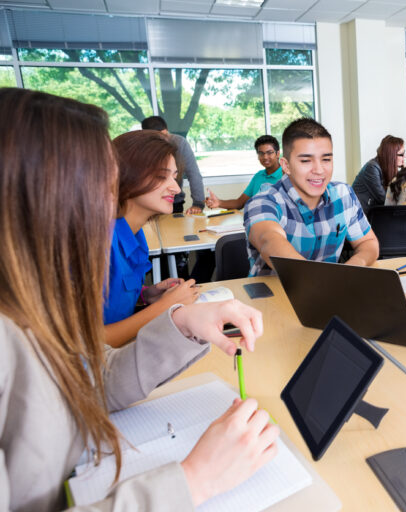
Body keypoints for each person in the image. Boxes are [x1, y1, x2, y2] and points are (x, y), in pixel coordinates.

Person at [0, 87, 279, 510]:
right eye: (100, 180)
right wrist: (194, 480)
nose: (106, 198)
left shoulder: (30, 309)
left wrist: (183, 325)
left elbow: (88, 382)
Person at [244, 118, 379, 276]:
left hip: (327, 291)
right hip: (273, 297)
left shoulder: (343, 194)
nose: (319, 170)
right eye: (306, 161)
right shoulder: (263, 202)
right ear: (286, 166)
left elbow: (368, 243)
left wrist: (351, 268)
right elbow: (270, 241)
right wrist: (316, 281)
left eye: (326, 159)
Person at [104, 130, 200, 347]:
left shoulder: (136, 235)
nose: (176, 188)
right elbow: (85, 344)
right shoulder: (98, 243)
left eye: (174, 177)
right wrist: (165, 306)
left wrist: (148, 295)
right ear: (125, 175)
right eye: (161, 176)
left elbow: (110, 302)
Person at [141, 115, 205, 215]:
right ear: (147, 136)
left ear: (167, 130)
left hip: (174, 202)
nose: (163, 141)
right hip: (150, 203)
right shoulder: (142, 147)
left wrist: (198, 203)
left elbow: (194, 174)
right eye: (157, 138)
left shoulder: (180, 143)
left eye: (165, 135)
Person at [206, 135, 283, 210]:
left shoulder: (286, 175)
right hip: (256, 219)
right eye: (261, 153)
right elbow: (239, 203)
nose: (265, 157)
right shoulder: (259, 176)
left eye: (269, 152)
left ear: (278, 154)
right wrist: (219, 203)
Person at [352, 135, 405, 216]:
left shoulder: (387, 168)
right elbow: (383, 199)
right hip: (361, 217)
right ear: (391, 156)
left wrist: (405, 172)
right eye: (401, 154)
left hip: (374, 213)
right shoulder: (372, 168)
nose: (404, 157)